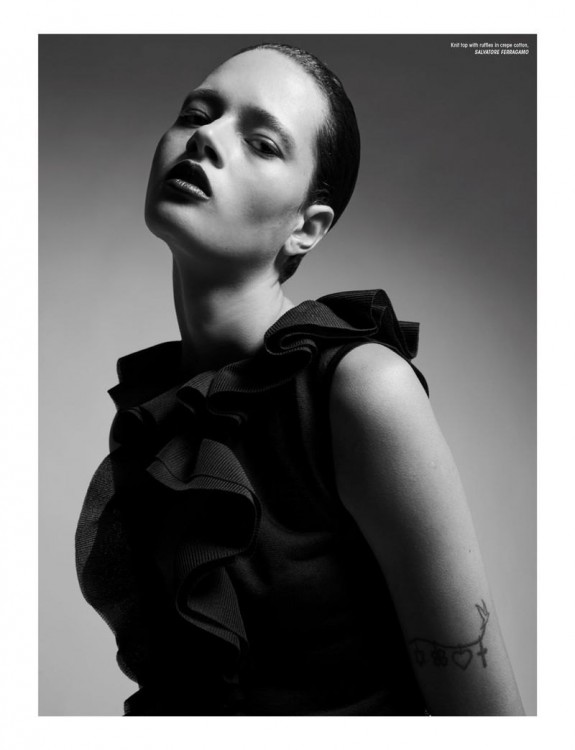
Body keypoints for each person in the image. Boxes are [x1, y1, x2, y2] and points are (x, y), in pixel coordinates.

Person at [75, 42, 525, 716]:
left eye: (261, 143)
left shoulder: (360, 388)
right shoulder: (156, 420)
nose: (204, 138)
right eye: (196, 113)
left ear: (306, 229)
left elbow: (485, 716)